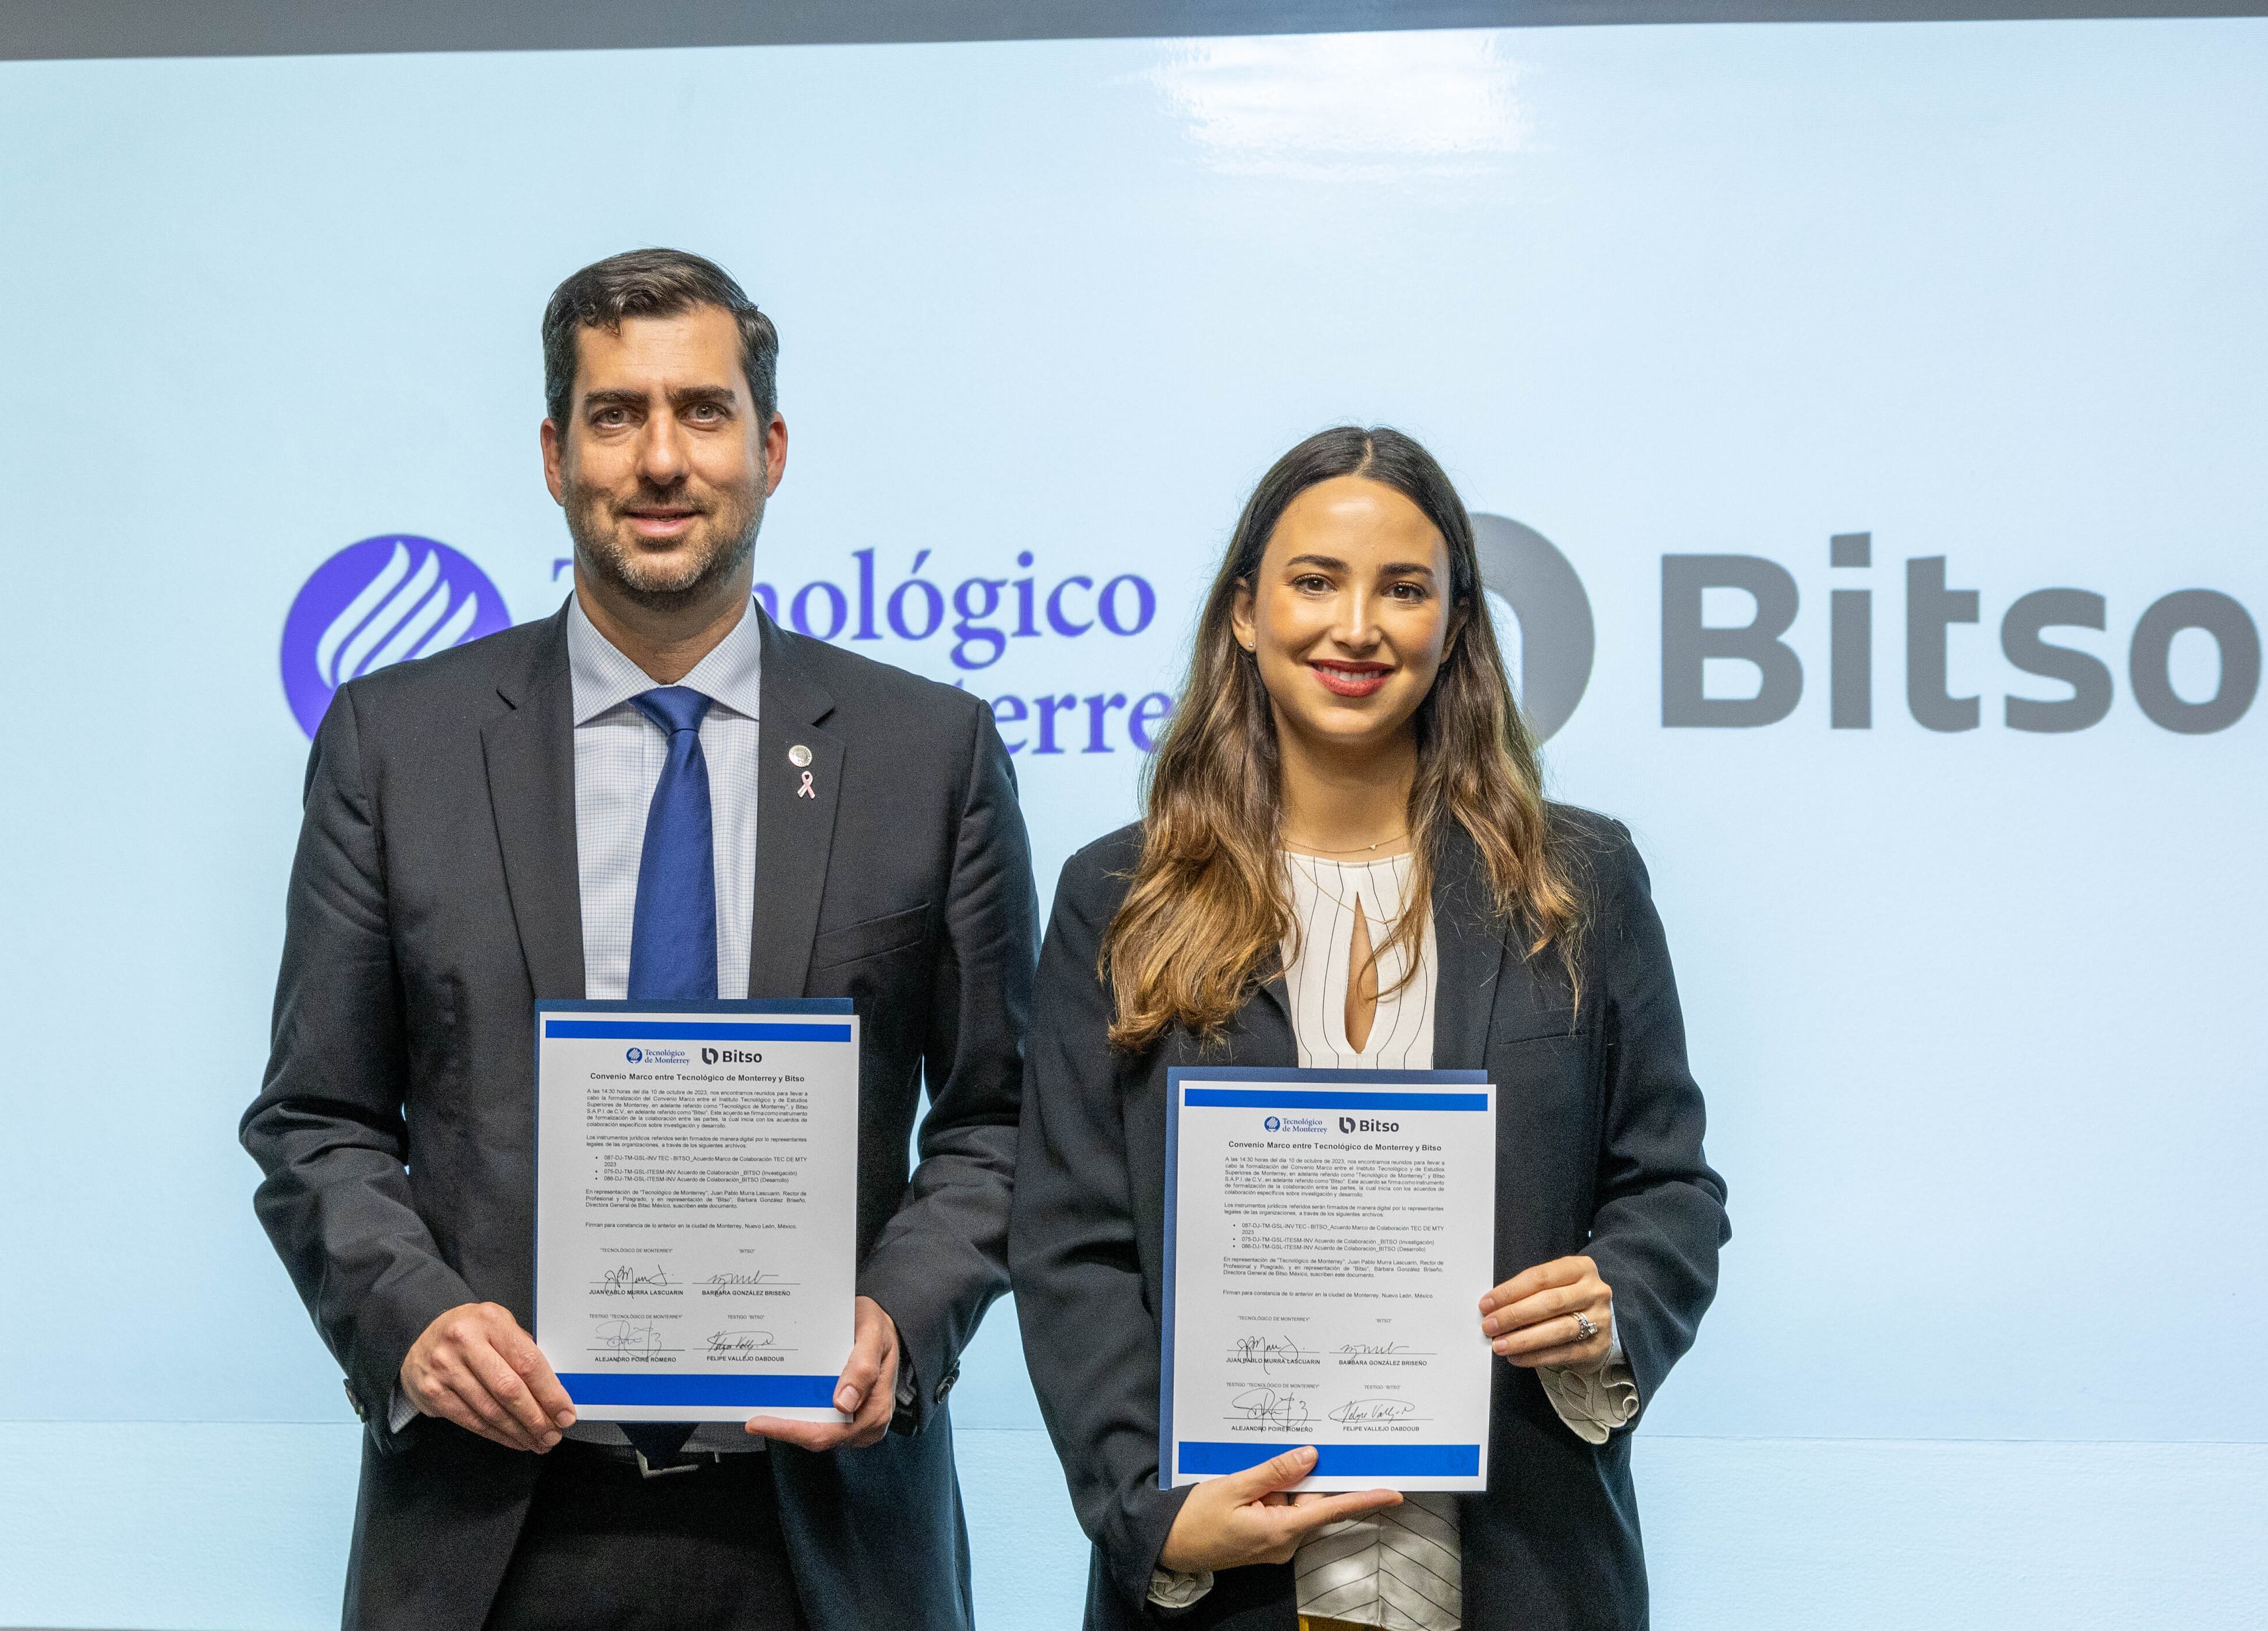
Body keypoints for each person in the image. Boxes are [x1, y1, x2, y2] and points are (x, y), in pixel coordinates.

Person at [241, 248, 1036, 1631]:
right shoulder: (395, 745)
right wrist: (413, 1320)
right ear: (556, 455)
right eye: (615, 416)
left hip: (826, 1532)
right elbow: (317, 1119)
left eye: (702, 412)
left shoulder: (929, 753)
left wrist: (901, 1324)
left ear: (769, 449)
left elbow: (1002, 1120)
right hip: (493, 1526)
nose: (660, 459)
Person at [1010, 426, 1728, 1630]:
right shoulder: (1120, 896)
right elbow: (1072, 1241)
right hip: (1224, 1580)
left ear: (1456, 625)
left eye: (1403, 589)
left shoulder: (1578, 881)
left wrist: (1614, 1304)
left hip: (1523, 1568)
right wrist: (1152, 1508)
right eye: (1315, 582)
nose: (1357, 627)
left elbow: (1669, 1186)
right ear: (1245, 612)